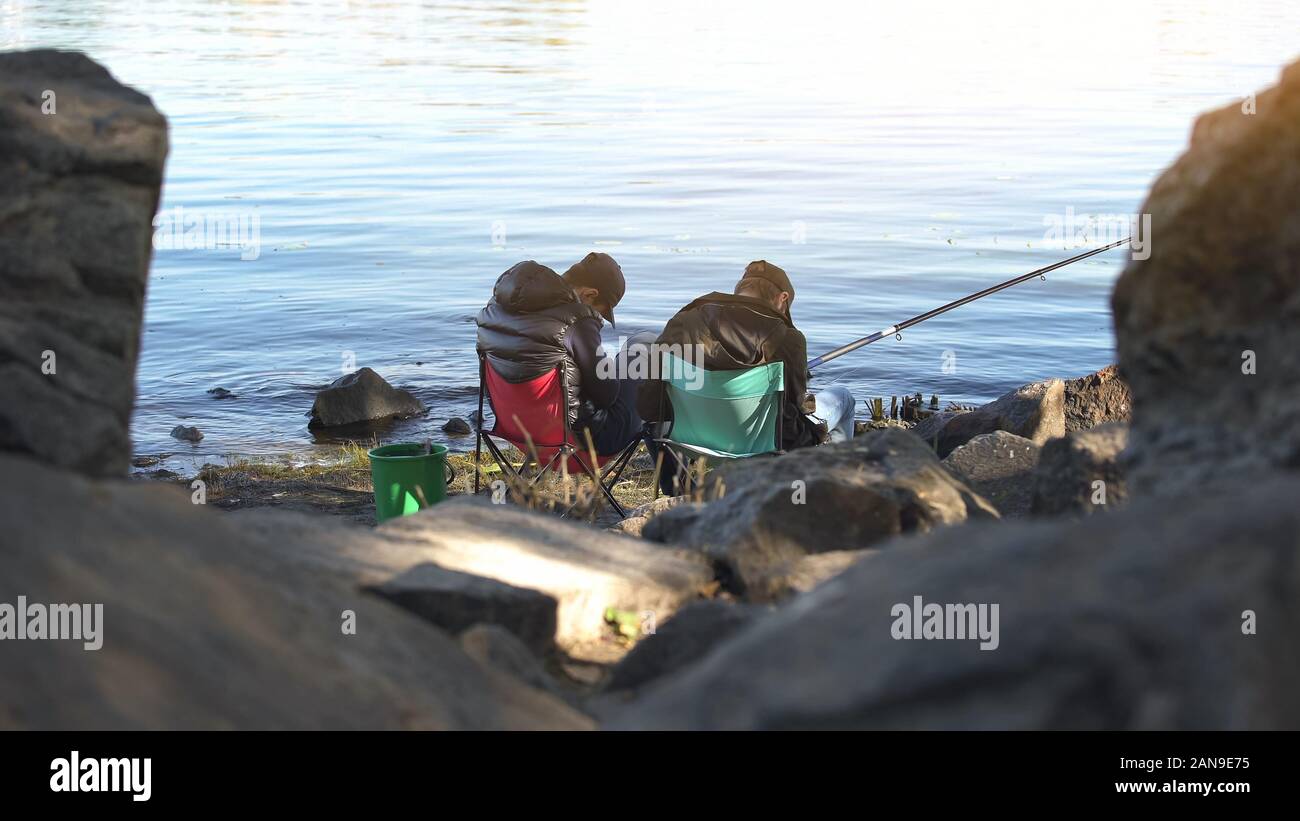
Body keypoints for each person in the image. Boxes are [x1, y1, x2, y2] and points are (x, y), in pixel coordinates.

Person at [638, 260, 853, 455]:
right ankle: (837, 480)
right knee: (843, 398)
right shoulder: (788, 337)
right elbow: (796, 407)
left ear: (740, 289)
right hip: (764, 445)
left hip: (688, 441)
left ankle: (675, 487)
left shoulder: (685, 319)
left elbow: (651, 399)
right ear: (783, 298)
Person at [475, 252, 645, 456]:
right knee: (643, 346)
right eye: (600, 311)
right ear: (590, 294)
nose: (598, 316)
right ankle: (673, 476)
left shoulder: (495, 309)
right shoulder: (576, 320)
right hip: (582, 443)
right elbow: (607, 395)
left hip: (517, 433)